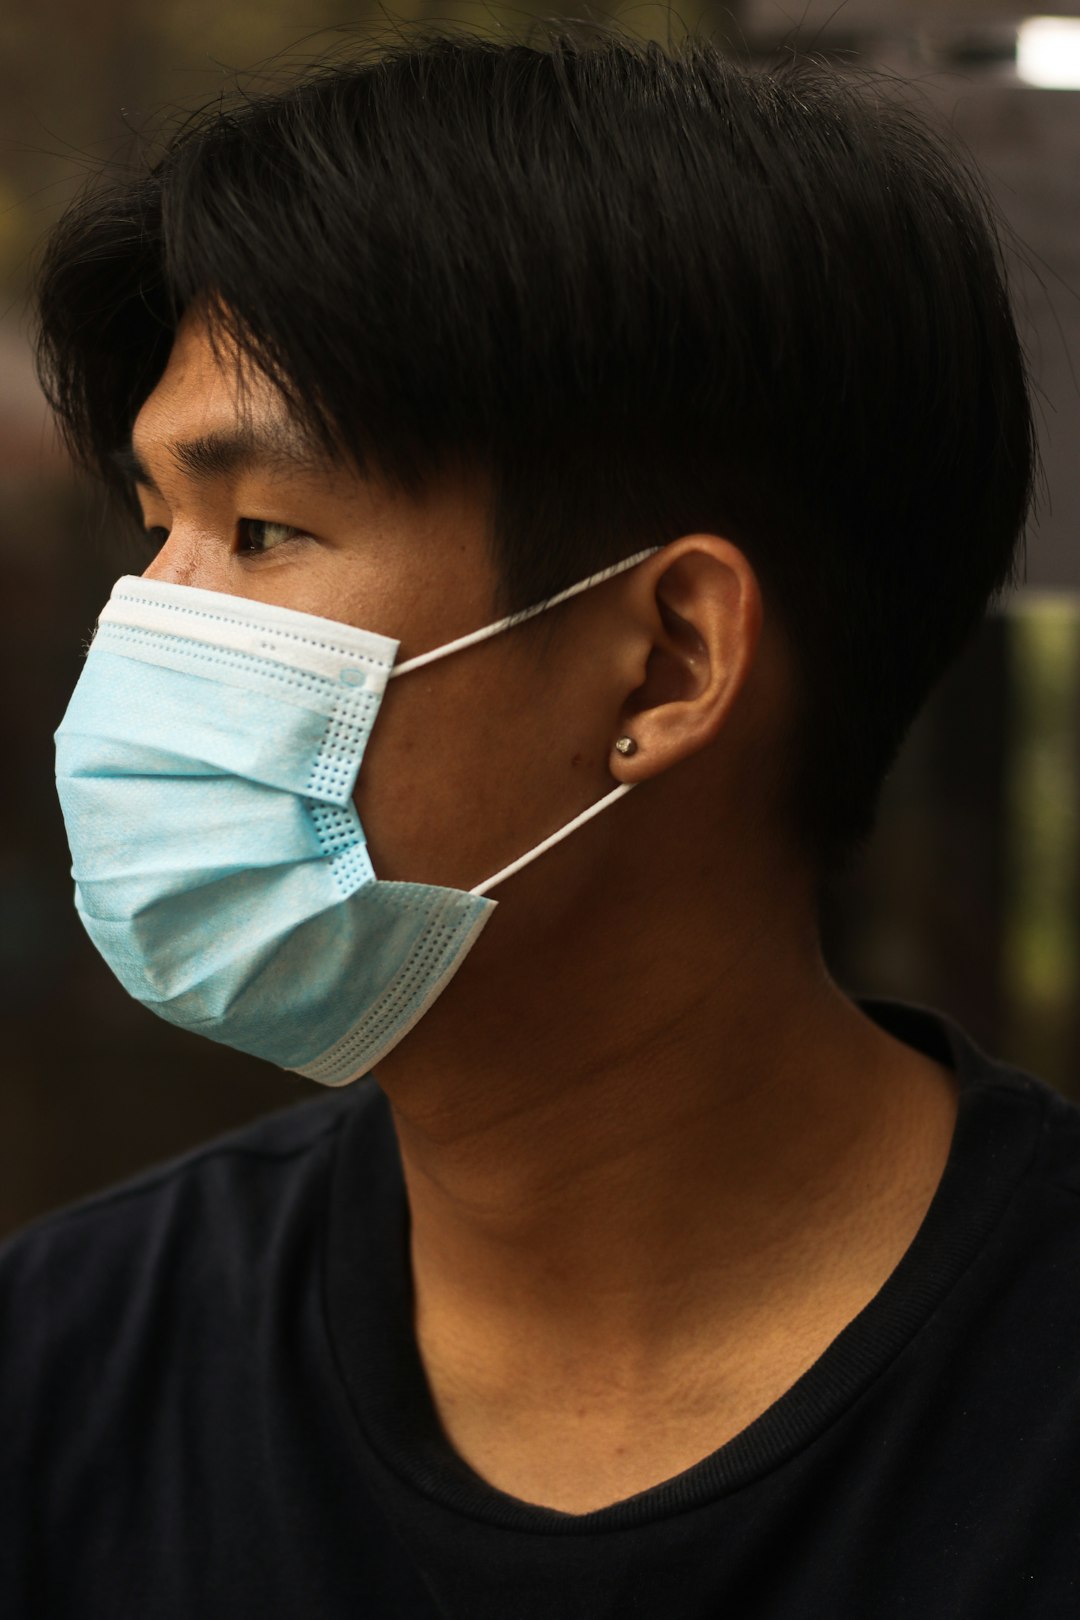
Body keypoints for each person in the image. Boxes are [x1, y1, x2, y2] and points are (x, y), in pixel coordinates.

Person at [2, 21, 1076, 1618]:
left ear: (667, 659)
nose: (151, 632)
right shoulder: (65, 1370)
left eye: (266, 529)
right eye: (157, 530)